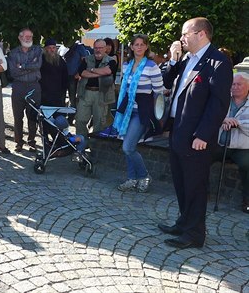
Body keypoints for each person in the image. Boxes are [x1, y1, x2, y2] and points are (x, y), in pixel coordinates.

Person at [158, 17, 233, 249]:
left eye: (185, 34)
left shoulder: (218, 63)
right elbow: (166, 81)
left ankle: (194, 234)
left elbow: (218, 104)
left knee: (195, 185)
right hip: (178, 131)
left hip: (196, 137)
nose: (181, 39)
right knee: (181, 181)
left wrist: (203, 134)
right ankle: (183, 222)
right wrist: (173, 59)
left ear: (201, 34)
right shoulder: (187, 59)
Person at [106, 34, 164, 193]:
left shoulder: (151, 66)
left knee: (128, 147)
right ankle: (132, 178)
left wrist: (157, 114)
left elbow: (159, 92)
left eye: (142, 44)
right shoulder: (126, 65)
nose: (139, 47)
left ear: (146, 47)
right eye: (136, 44)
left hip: (142, 112)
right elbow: (124, 88)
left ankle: (144, 176)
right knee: (129, 147)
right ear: (131, 47)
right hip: (127, 111)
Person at [212, 72, 249, 214]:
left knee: (247, 165)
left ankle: (247, 200)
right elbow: (212, 114)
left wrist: (238, 123)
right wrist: (223, 119)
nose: (235, 87)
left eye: (239, 84)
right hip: (221, 144)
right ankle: (202, 191)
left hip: (242, 148)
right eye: (233, 84)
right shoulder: (223, 99)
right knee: (201, 158)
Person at [8, 28, 42, 152]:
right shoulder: (13, 53)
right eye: (25, 36)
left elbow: (38, 65)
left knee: (33, 116)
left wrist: (22, 66)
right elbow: (14, 72)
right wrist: (30, 66)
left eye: (30, 37)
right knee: (18, 116)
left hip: (34, 86)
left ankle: (32, 141)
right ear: (19, 37)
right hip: (18, 86)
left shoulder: (38, 50)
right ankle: (18, 142)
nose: (28, 39)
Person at [75, 39, 117, 137]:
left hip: (102, 95)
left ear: (105, 48)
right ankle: (82, 143)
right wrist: (98, 73)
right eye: (96, 48)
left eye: (101, 48)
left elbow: (107, 71)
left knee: (99, 123)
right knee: (80, 120)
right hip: (86, 93)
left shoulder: (111, 61)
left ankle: (96, 147)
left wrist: (91, 70)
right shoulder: (86, 59)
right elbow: (82, 73)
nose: (98, 50)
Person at [40, 38, 69, 152]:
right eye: (49, 48)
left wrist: (63, 92)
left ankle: (60, 141)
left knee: (59, 119)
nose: (52, 50)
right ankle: (46, 141)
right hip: (44, 96)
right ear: (45, 49)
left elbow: (65, 78)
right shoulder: (41, 61)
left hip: (58, 97)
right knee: (45, 121)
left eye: (53, 48)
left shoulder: (61, 61)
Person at [63, 40, 89, 113]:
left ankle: (72, 117)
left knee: (73, 99)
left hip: (74, 76)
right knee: (63, 98)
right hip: (63, 76)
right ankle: (64, 115)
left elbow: (85, 61)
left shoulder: (79, 47)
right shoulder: (62, 47)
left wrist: (79, 73)